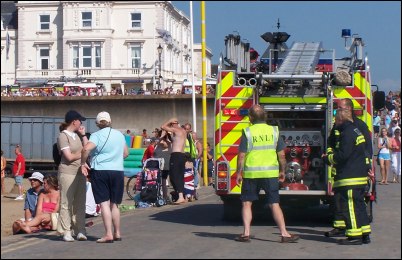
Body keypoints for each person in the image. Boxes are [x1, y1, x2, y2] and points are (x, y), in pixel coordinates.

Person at [235, 104, 299, 243]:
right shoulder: (274, 131)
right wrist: (283, 171)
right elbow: (281, 155)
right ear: (265, 116)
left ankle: (246, 233)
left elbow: (241, 156)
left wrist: (238, 173)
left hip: (251, 174)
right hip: (270, 174)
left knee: (247, 203)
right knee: (274, 204)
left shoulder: (248, 132)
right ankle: (284, 234)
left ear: (250, 117)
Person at [322, 100, 372, 245]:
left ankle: (355, 236)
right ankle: (363, 233)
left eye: (338, 116)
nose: (335, 121)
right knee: (358, 205)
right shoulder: (351, 130)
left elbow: (345, 154)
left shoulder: (351, 130)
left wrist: (328, 159)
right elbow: (332, 143)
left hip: (350, 175)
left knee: (350, 206)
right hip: (351, 173)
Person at [81, 111, 129, 243]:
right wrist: (115, 158)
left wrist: (82, 163)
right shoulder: (120, 135)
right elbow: (126, 153)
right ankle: (117, 232)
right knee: (115, 204)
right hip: (117, 170)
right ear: (110, 121)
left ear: (97, 123)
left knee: (104, 203)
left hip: (101, 170)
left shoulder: (96, 135)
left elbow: (86, 149)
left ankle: (108, 234)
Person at [56, 110, 89, 242]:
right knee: (66, 202)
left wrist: (83, 135)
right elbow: (68, 157)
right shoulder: (63, 136)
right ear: (74, 121)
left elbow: (87, 148)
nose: (81, 123)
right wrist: (83, 153)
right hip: (67, 172)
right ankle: (66, 231)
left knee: (80, 202)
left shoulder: (77, 136)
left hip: (80, 172)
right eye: (79, 120)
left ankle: (80, 229)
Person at [161, 117, 187, 204]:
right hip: (182, 155)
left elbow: (163, 126)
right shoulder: (183, 131)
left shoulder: (175, 130)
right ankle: (183, 196)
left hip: (176, 155)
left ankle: (180, 196)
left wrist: (169, 121)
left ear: (173, 124)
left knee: (174, 175)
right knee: (180, 175)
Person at [153, 129, 173, 203]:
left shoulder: (165, 142)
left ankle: (165, 196)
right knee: (161, 180)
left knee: (163, 180)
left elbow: (162, 143)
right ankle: (162, 195)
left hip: (164, 163)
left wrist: (162, 135)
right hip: (159, 163)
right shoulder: (160, 141)